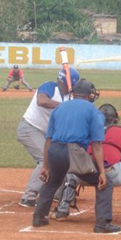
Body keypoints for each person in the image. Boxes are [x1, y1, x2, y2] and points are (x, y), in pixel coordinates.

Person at [32, 79, 121, 233]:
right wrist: (101, 172)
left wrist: (46, 166)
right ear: (88, 95)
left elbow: (48, 140)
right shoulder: (94, 112)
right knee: (105, 184)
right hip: (73, 152)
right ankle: (102, 224)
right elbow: (97, 145)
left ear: (73, 94)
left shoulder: (59, 108)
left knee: (52, 181)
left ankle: (38, 218)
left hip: (54, 150)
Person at [50, 103, 121, 225]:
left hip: (86, 173)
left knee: (71, 171)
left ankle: (62, 210)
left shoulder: (87, 130)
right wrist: (120, 159)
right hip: (110, 173)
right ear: (115, 119)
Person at [17, 68, 80, 208]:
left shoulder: (70, 96)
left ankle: (58, 193)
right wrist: (65, 106)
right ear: (61, 81)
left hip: (49, 135)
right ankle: (29, 196)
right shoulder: (49, 87)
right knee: (45, 159)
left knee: (61, 158)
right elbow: (42, 101)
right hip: (30, 128)